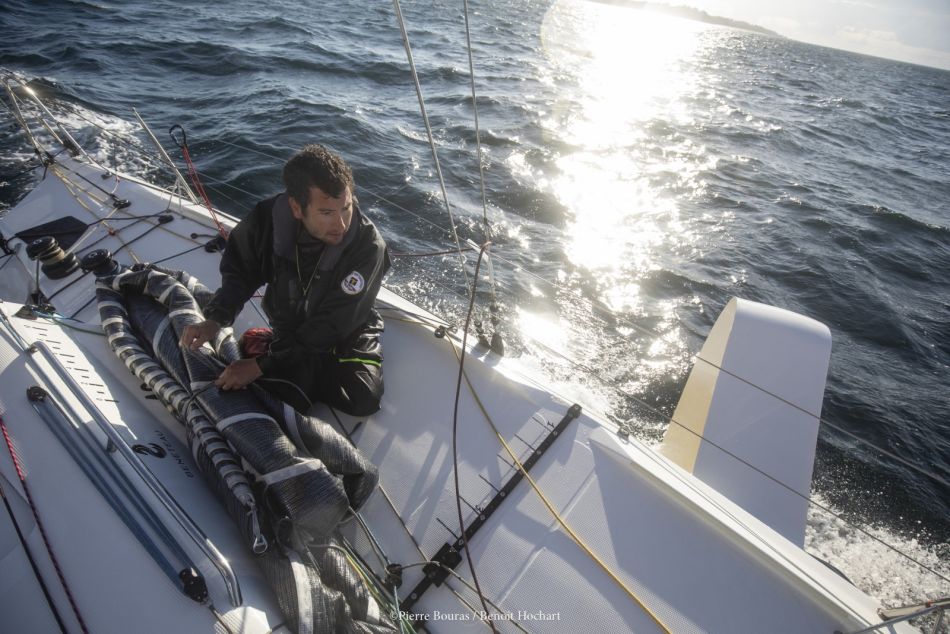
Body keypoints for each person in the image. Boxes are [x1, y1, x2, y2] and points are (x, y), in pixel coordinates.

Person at [180, 144, 390, 415]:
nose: (341, 224)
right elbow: (240, 272)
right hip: (290, 322)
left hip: (347, 328)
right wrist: (215, 319)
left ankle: (283, 357)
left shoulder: (368, 247)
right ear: (296, 207)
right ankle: (287, 358)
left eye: (346, 208)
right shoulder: (267, 221)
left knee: (363, 399)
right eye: (326, 213)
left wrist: (260, 366)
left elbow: (334, 322)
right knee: (289, 395)